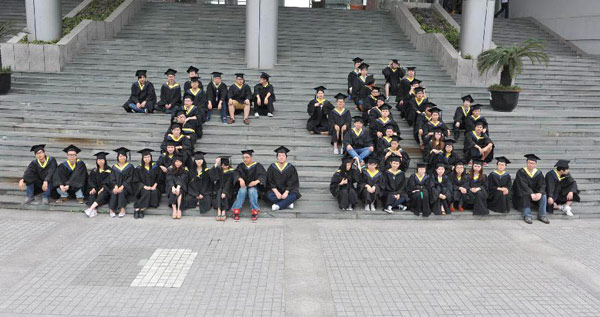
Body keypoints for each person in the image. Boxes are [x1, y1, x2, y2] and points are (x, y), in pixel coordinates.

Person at [512, 154, 549, 224]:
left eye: (533, 163)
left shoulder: (539, 173)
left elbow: (542, 184)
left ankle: (542, 215)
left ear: (535, 165)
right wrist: (530, 193)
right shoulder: (521, 172)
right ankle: (527, 215)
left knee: (543, 195)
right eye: (529, 163)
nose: (530, 165)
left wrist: (540, 193)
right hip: (523, 193)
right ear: (526, 163)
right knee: (525, 194)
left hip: (535, 194)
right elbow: (522, 185)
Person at [232, 149, 267, 221]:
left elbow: (263, 175)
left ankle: (255, 210)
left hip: (254, 187)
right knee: (242, 190)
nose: (245, 159)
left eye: (247, 157)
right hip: (243, 186)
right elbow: (236, 173)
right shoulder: (241, 166)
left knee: (252, 191)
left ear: (251, 158)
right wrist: (239, 179)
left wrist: (256, 181)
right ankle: (236, 210)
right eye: (243, 158)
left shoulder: (257, 165)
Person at [266, 146, 301, 211]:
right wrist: (276, 192)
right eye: (279, 155)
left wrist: (286, 192)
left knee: (294, 194)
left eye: (283, 155)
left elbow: (293, 181)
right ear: (277, 157)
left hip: (288, 191)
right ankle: (288, 203)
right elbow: (269, 181)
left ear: (286, 157)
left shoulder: (291, 167)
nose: (281, 157)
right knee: (269, 196)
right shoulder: (272, 167)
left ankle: (278, 206)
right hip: (275, 191)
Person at [133, 149, 161, 219]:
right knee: (147, 192)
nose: (147, 159)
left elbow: (160, 177)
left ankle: (140, 209)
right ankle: (139, 209)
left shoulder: (155, 166)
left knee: (154, 192)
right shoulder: (139, 168)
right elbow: (136, 180)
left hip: (154, 187)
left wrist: (155, 185)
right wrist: (144, 187)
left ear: (151, 157)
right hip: (143, 188)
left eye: (148, 157)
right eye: (145, 157)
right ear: (142, 158)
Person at [107, 147, 135, 218]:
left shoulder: (130, 167)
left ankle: (122, 209)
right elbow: (112, 178)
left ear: (126, 157)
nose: (122, 158)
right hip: (116, 186)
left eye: (123, 156)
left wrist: (122, 186)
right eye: (120, 156)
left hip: (126, 188)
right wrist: (115, 186)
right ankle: (111, 209)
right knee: (114, 191)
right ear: (118, 157)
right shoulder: (114, 167)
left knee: (121, 192)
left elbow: (130, 178)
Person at [84, 151, 111, 217]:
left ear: (105, 160)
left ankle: (90, 209)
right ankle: (94, 210)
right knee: (92, 193)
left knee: (103, 194)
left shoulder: (109, 170)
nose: (100, 161)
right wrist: (93, 188)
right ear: (97, 161)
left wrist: (103, 188)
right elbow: (91, 181)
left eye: (102, 160)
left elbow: (109, 181)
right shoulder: (94, 170)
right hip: (97, 189)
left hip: (106, 190)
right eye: (98, 160)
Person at [212, 156, 236, 221]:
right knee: (219, 191)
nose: (223, 167)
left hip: (228, 190)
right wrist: (216, 164)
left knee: (222, 193)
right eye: (222, 165)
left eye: (225, 165)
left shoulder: (231, 172)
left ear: (228, 165)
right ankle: (220, 210)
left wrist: (224, 192)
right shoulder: (219, 170)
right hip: (219, 188)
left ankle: (223, 211)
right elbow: (212, 176)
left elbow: (229, 183)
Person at [166, 155, 189, 219]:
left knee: (180, 191)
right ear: (173, 162)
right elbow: (169, 179)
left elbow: (183, 179)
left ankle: (179, 209)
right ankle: (174, 209)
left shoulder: (185, 169)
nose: (178, 163)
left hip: (181, 186)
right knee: (172, 191)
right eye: (176, 161)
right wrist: (173, 187)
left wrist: (178, 187)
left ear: (182, 163)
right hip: (171, 186)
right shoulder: (170, 169)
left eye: (179, 162)